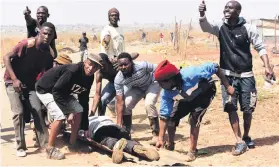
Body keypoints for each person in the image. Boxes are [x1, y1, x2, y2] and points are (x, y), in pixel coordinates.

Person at [199, 0, 275, 155]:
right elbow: (205, 27)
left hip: (246, 75)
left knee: (248, 110)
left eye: (230, 8)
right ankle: (239, 140)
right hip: (227, 76)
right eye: (225, 7)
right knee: (231, 107)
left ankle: (246, 136)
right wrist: (202, 14)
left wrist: (267, 65)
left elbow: (260, 47)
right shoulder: (220, 26)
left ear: (238, 11)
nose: (226, 9)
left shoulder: (248, 28)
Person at [154, 60, 234, 162]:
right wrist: (160, 138)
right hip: (186, 97)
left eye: (162, 83)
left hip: (204, 94)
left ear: (171, 79)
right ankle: (170, 144)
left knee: (194, 119)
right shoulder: (167, 93)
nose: (161, 86)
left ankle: (192, 150)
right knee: (172, 118)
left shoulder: (191, 73)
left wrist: (227, 86)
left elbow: (215, 67)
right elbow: (164, 116)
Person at [3, 22, 56, 157]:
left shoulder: (48, 53)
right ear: (39, 32)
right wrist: (14, 79)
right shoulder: (27, 44)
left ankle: (45, 145)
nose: (46, 36)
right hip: (12, 81)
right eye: (44, 33)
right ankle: (20, 146)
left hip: (30, 84)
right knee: (18, 112)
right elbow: (6, 57)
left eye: (50, 35)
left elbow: (46, 74)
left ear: (53, 37)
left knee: (37, 110)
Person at [35, 53, 102, 160]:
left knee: (78, 110)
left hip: (62, 91)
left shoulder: (89, 78)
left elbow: (83, 100)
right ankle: (50, 149)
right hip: (46, 89)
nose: (91, 68)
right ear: (85, 62)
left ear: (98, 68)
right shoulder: (73, 71)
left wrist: (85, 125)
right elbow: (56, 91)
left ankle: (72, 144)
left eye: (95, 67)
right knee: (60, 116)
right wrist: (68, 112)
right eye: (89, 64)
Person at [114, 52, 161, 145]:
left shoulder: (142, 65)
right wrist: (118, 123)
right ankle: (127, 133)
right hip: (137, 88)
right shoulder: (118, 79)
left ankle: (156, 134)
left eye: (126, 64)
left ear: (131, 62)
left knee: (149, 104)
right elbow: (120, 102)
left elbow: (159, 69)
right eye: (121, 65)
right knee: (126, 105)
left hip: (151, 83)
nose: (123, 67)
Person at [88, 115, 160, 164]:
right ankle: (135, 146)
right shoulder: (103, 117)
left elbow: (83, 135)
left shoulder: (87, 121)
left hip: (99, 129)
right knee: (126, 140)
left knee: (106, 139)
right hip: (115, 127)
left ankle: (115, 144)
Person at [89, 52, 139, 116]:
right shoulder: (99, 73)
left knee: (122, 101)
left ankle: (126, 121)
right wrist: (92, 113)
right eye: (99, 65)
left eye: (103, 64)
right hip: (113, 84)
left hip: (125, 83)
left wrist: (120, 61)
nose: (102, 67)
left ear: (108, 61)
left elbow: (136, 54)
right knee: (102, 100)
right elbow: (97, 94)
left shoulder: (115, 62)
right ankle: (101, 118)